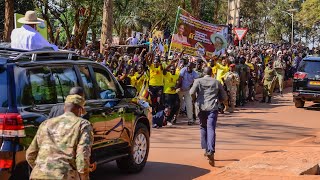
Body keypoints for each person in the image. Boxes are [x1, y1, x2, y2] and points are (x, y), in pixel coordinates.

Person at [26, 94, 94, 180]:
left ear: (64, 108)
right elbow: (82, 158)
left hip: (38, 175)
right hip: (64, 176)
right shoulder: (83, 125)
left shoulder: (46, 123)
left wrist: (43, 170)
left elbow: (30, 154)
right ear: (80, 110)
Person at [190, 67, 227, 166]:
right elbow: (224, 97)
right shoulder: (216, 82)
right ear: (211, 73)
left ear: (203, 72)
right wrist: (219, 101)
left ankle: (206, 149)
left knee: (203, 127)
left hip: (201, 107)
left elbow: (191, 93)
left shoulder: (198, 81)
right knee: (211, 128)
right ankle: (211, 150)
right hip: (212, 107)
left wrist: (195, 100)